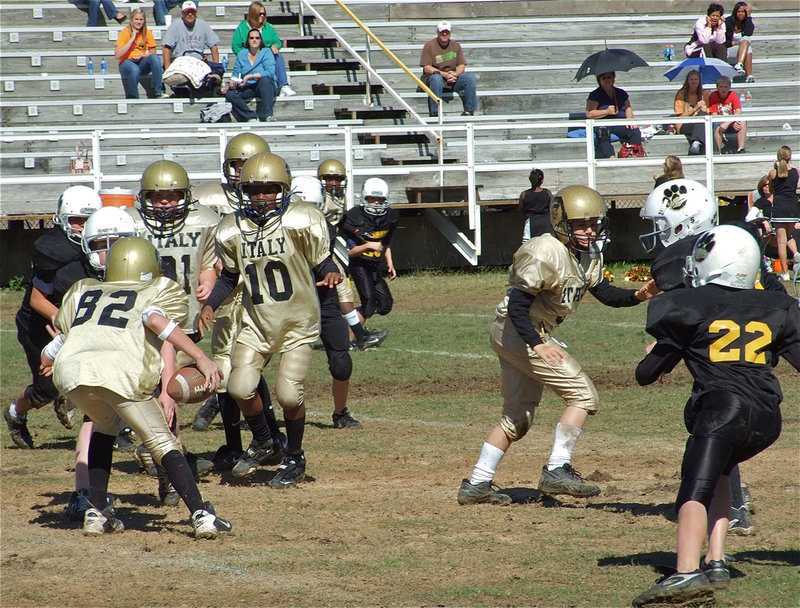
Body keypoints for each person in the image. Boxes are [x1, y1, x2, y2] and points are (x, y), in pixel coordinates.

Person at [631, 225, 800, 607]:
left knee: (695, 486)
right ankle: (717, 560)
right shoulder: (777, 306)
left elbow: (646, 375)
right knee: (722, 472)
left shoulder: (689, 306)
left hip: (722, 409)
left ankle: (686, 571)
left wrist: (661, 349)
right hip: (767, 418)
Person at [457, 185, 658, 506]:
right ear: (561, 222)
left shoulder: (588, 254)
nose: (589, 231)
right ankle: (556, 468)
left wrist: (637, 295)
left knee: (516, 419)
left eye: (593, 223)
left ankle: (478, 483)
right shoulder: (545, 251)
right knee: (583, 394)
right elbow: (519, 307)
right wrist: (538, 345)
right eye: (581, 224)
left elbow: (604, 292)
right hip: (518, 330)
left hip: (517, 332)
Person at [41, 237, 234, 539]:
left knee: (103, 428)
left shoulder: (87, 291)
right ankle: (202, 514)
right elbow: (157, 321)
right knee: (163, 441)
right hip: (121, 374)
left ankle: (96, 512)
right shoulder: (151, 292)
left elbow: (52, 351)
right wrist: (201, 357)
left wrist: (51, 361)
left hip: (74, 376)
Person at [198, 152, 343, 487]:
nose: (261, 196)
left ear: (284, 189)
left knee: (290, 395)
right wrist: (210, 305)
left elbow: (322, 262)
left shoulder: (301, 219)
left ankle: (294, 456)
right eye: (254, 189)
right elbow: (229, 277)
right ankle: (265, 441)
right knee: (239, 387)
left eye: (268, 189)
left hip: (297, 321)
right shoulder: (231, 228)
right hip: (256, 322)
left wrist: (332, 272)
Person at [126, 160, 220, 504]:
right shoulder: (131, 225)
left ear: (186, 196)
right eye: (157, 196)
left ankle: (168, 465)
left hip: (183, 320)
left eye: (172, 195)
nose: (165, 202)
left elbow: (208, 262)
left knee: (169, 393)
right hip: (142, 321)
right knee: (160, 394)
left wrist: (207, 282)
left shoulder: (203, 221)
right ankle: (169, 463)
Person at [193, 133, 287, 472]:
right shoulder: (207, 197)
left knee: (248, 368)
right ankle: (248, 442)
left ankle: (269, 437)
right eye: (235, 165)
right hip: (224, 294)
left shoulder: (275, 199)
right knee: (227, 370)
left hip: (260, 294)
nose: (240, 173)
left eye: (247, 165)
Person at [4, 186, 103, 451]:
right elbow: (37, 300)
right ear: (62, 218)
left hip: (79, 321)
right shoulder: (52, 248)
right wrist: (66, 323)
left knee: (99, 374)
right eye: (76, 220)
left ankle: (112, 428)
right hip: (41, 323)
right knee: (45, 390)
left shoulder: (104, 242)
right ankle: (15, 413)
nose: (82, 227)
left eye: (88, 220)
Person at [290, 175, 361, 428]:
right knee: (261, 357)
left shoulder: (325, 230)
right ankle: (228, 399)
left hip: (323, 298)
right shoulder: (277, 229)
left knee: (342, 363)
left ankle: (340, 413)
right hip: (289, 302)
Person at [317, 159, 387, 350]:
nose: (334, 183)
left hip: (328, 255)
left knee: (343, 294)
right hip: (314, 255)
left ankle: (358, 335)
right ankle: (358, 336)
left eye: (338, 179)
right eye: (330, 179)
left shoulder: (341, 199)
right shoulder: (317, 198)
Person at [338, 178, 399, 324]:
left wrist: (390, 263)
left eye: (380, 199)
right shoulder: (356, 217)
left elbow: (386, 243)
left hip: (373, 266)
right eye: (372, 199)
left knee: (385, 305)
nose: (376, 203)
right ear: (365, 198)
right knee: (369, 304)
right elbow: (351, 253)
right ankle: (353, 336)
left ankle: (349, 319)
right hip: (359, 265)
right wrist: (367, 246)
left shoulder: (388, 218)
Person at [231, 1, 295, 97]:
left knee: (277, 56)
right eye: (259, 14)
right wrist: (246, 54)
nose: (262, 16)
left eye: (263, 14)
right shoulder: (242, 28)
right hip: (250, 58)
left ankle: (283, 85)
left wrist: (275, 46)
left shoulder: (268, 27)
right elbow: (235, 46)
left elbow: (277, 41)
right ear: (253, 14)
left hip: (266, 56)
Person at [419, 21, 478, 117]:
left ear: (450, 32)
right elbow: (427, 68)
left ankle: (469, 110)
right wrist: (444, 75)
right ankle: (435, 112)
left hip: (452, 78)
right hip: (437, 77)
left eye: (447, 32)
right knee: (436, 78)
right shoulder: (429, 45)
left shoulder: (456, 46)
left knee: (470, 78)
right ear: (437, 32)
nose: (444, 34)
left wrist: (455, 74)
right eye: (442, 31)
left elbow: (461, 66)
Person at [585, 72, 645, 159]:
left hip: (619, 121)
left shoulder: (621, 93)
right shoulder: (595, 94)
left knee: (634, 131)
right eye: (604, 78)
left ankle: (635, 153)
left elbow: (628, 108)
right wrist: (606, 111)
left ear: (613, 79)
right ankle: (610, 156)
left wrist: (629, 120)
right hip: (603, 122)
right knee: (602, 133)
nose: (607, 80)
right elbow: (589, 113)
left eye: (609, 77)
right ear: (599, 80)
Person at [225, 28, 277, 123]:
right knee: (230, 93)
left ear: (260, 40)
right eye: (251, 38)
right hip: (248, 86)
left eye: (257, 38)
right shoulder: (242, 54)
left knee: (265, 80)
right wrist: (234, 83)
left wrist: (251, 76)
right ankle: (251, 116)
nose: (254, 40)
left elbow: (270, 72)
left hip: (265, 86)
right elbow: (236, 74)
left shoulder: (266, 52)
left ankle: (268, 115)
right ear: (248, 40)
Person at [115, 8, 167, 100]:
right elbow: (118, 55)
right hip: (126, 63)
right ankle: (133, 97)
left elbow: (152, 53)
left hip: (141, 62)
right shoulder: (125, 32)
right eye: (136, 19)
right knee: (134, 69)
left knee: (155, 58)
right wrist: (131, 40)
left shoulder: (147, 32)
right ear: (131, 20)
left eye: (141, 20)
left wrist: (143, 55)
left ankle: (160, 92)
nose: (138, 22)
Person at [768, 146, 800, 280]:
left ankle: (785, 273)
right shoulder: (797, 172)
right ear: (790, 157)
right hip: (793, 207)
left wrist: (775, 166)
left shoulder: (773, 173)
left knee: (781, 241)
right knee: (789, 235)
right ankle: (796, 253)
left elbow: (771, 189)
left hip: (780, 207)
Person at [162, 2, 220, 72]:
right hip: (180, 62)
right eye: (187, 12)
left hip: (199, 62)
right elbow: (166, 47)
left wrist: (216, 67)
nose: (190, 14)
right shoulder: (175, 25)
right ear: (182, 13)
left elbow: (213, 45)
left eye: (192, 12)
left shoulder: (203, 24)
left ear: (196, 13)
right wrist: (168, 69)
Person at [673, 70, 710, 155]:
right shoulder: (681, 94)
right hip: (684, 124)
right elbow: (679, 117)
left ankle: (697, 142)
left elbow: (708, 111)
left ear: (699, 81)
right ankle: (703, 146)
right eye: (691, 79)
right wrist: (695, 108)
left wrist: (704, 109)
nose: (694, 81)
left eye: (696, 79)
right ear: (688, 81)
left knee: (704, 117)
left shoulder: (704, 94)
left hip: (699, 123)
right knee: (703, 125)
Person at [709, 76, 746, 154]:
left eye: (726, 87)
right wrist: (726, 123)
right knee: (717, 125)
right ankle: (717, 151)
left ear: (729, 87)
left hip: (730, 122)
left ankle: (741, 149)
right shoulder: (713, 96)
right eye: (721, 87)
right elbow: (714, 115)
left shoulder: (733, 95)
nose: (723, 89)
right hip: (719, 122)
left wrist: (730, 123)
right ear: (717, 87)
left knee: (742, 121)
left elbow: (738, 111)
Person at [518, 167, 552, 243]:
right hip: (546, 222)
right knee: (547, 244)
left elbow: (521, 210)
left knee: (528, 246)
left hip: (531, 223)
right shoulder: (548, 193)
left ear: (530, 179)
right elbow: (552, 208)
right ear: (542, 180)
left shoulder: (524, 194)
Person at [725, 2, 755, 82]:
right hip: (728, 49)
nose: (741, 14)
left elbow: (749, 33)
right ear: (735, 12)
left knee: (747, 42)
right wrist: (731, 43)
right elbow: (722, 40)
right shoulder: (728, 21)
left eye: (743, 12)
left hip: (742, 50)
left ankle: (747, 74)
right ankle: (741, 67)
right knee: (748, 46)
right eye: (739, 11)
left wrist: (749, 17)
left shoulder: (746, 22)